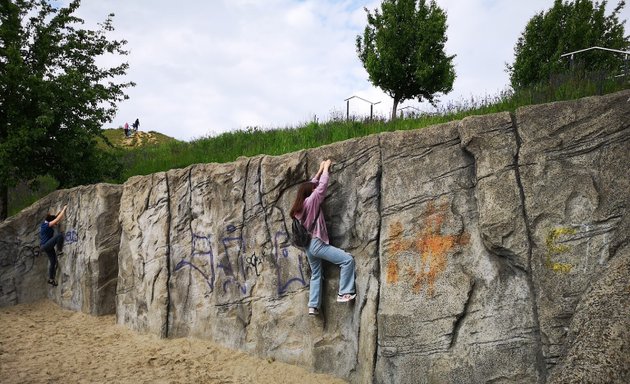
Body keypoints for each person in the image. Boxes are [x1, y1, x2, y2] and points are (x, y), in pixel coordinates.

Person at [290, 159, 356, 316]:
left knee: (316, 274)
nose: (315, 189)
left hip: (308, 247)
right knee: (347, 260)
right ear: (310, 193)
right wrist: (326, 168)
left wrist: (319, 171)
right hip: (317, 244)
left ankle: (313, 305)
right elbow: (321, 187)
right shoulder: (312, 202)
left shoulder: (299, 206)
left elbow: (311, 185)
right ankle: (344, 293)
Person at [40, 205, 67, 286]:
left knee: (53, 261)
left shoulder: (45, 223)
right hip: (45, 245)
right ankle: (59, 250)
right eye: (54, 223)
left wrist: (60, 211)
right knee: (59, 235)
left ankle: (51, 279)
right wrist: (64, 209)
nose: (56, 224)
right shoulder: (45, 225)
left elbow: (56, 217)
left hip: (47, 246)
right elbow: (57, 219)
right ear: (50, 221)